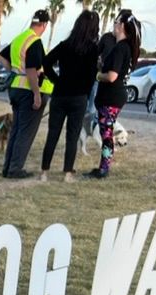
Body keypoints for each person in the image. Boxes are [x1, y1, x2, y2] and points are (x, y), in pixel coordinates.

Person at [39, 9, 100, 182]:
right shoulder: (92, 49)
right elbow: (91, 75)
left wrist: (56, 80)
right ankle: (67, 172)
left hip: (59, 94)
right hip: (78, 96)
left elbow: (46, 62)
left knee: (53, 133)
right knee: (72, 136)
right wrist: (86, 91)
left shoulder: (64, 45)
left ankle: (44, 172)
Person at [0, 8, 53, 179]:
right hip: (27, 91)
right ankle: (15, 169)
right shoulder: (35, 42)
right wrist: (37, 94)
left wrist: (15, 71)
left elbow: (2, 56)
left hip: (15, 88)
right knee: (25, 131)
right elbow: (31, 69)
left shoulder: (20, 38)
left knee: (16, 129)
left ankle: (8, 167)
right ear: (44, 25)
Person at [88, 9, 139, 179]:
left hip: (111, 97)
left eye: (116, 22)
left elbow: (112, 76)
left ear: (122, 26)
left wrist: (97, 75)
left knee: (107, 133)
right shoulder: (127, 49)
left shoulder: (120, 49)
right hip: (115, 96)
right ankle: (104, 165)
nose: (114, 24)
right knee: (106, 132)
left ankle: (104, 168)